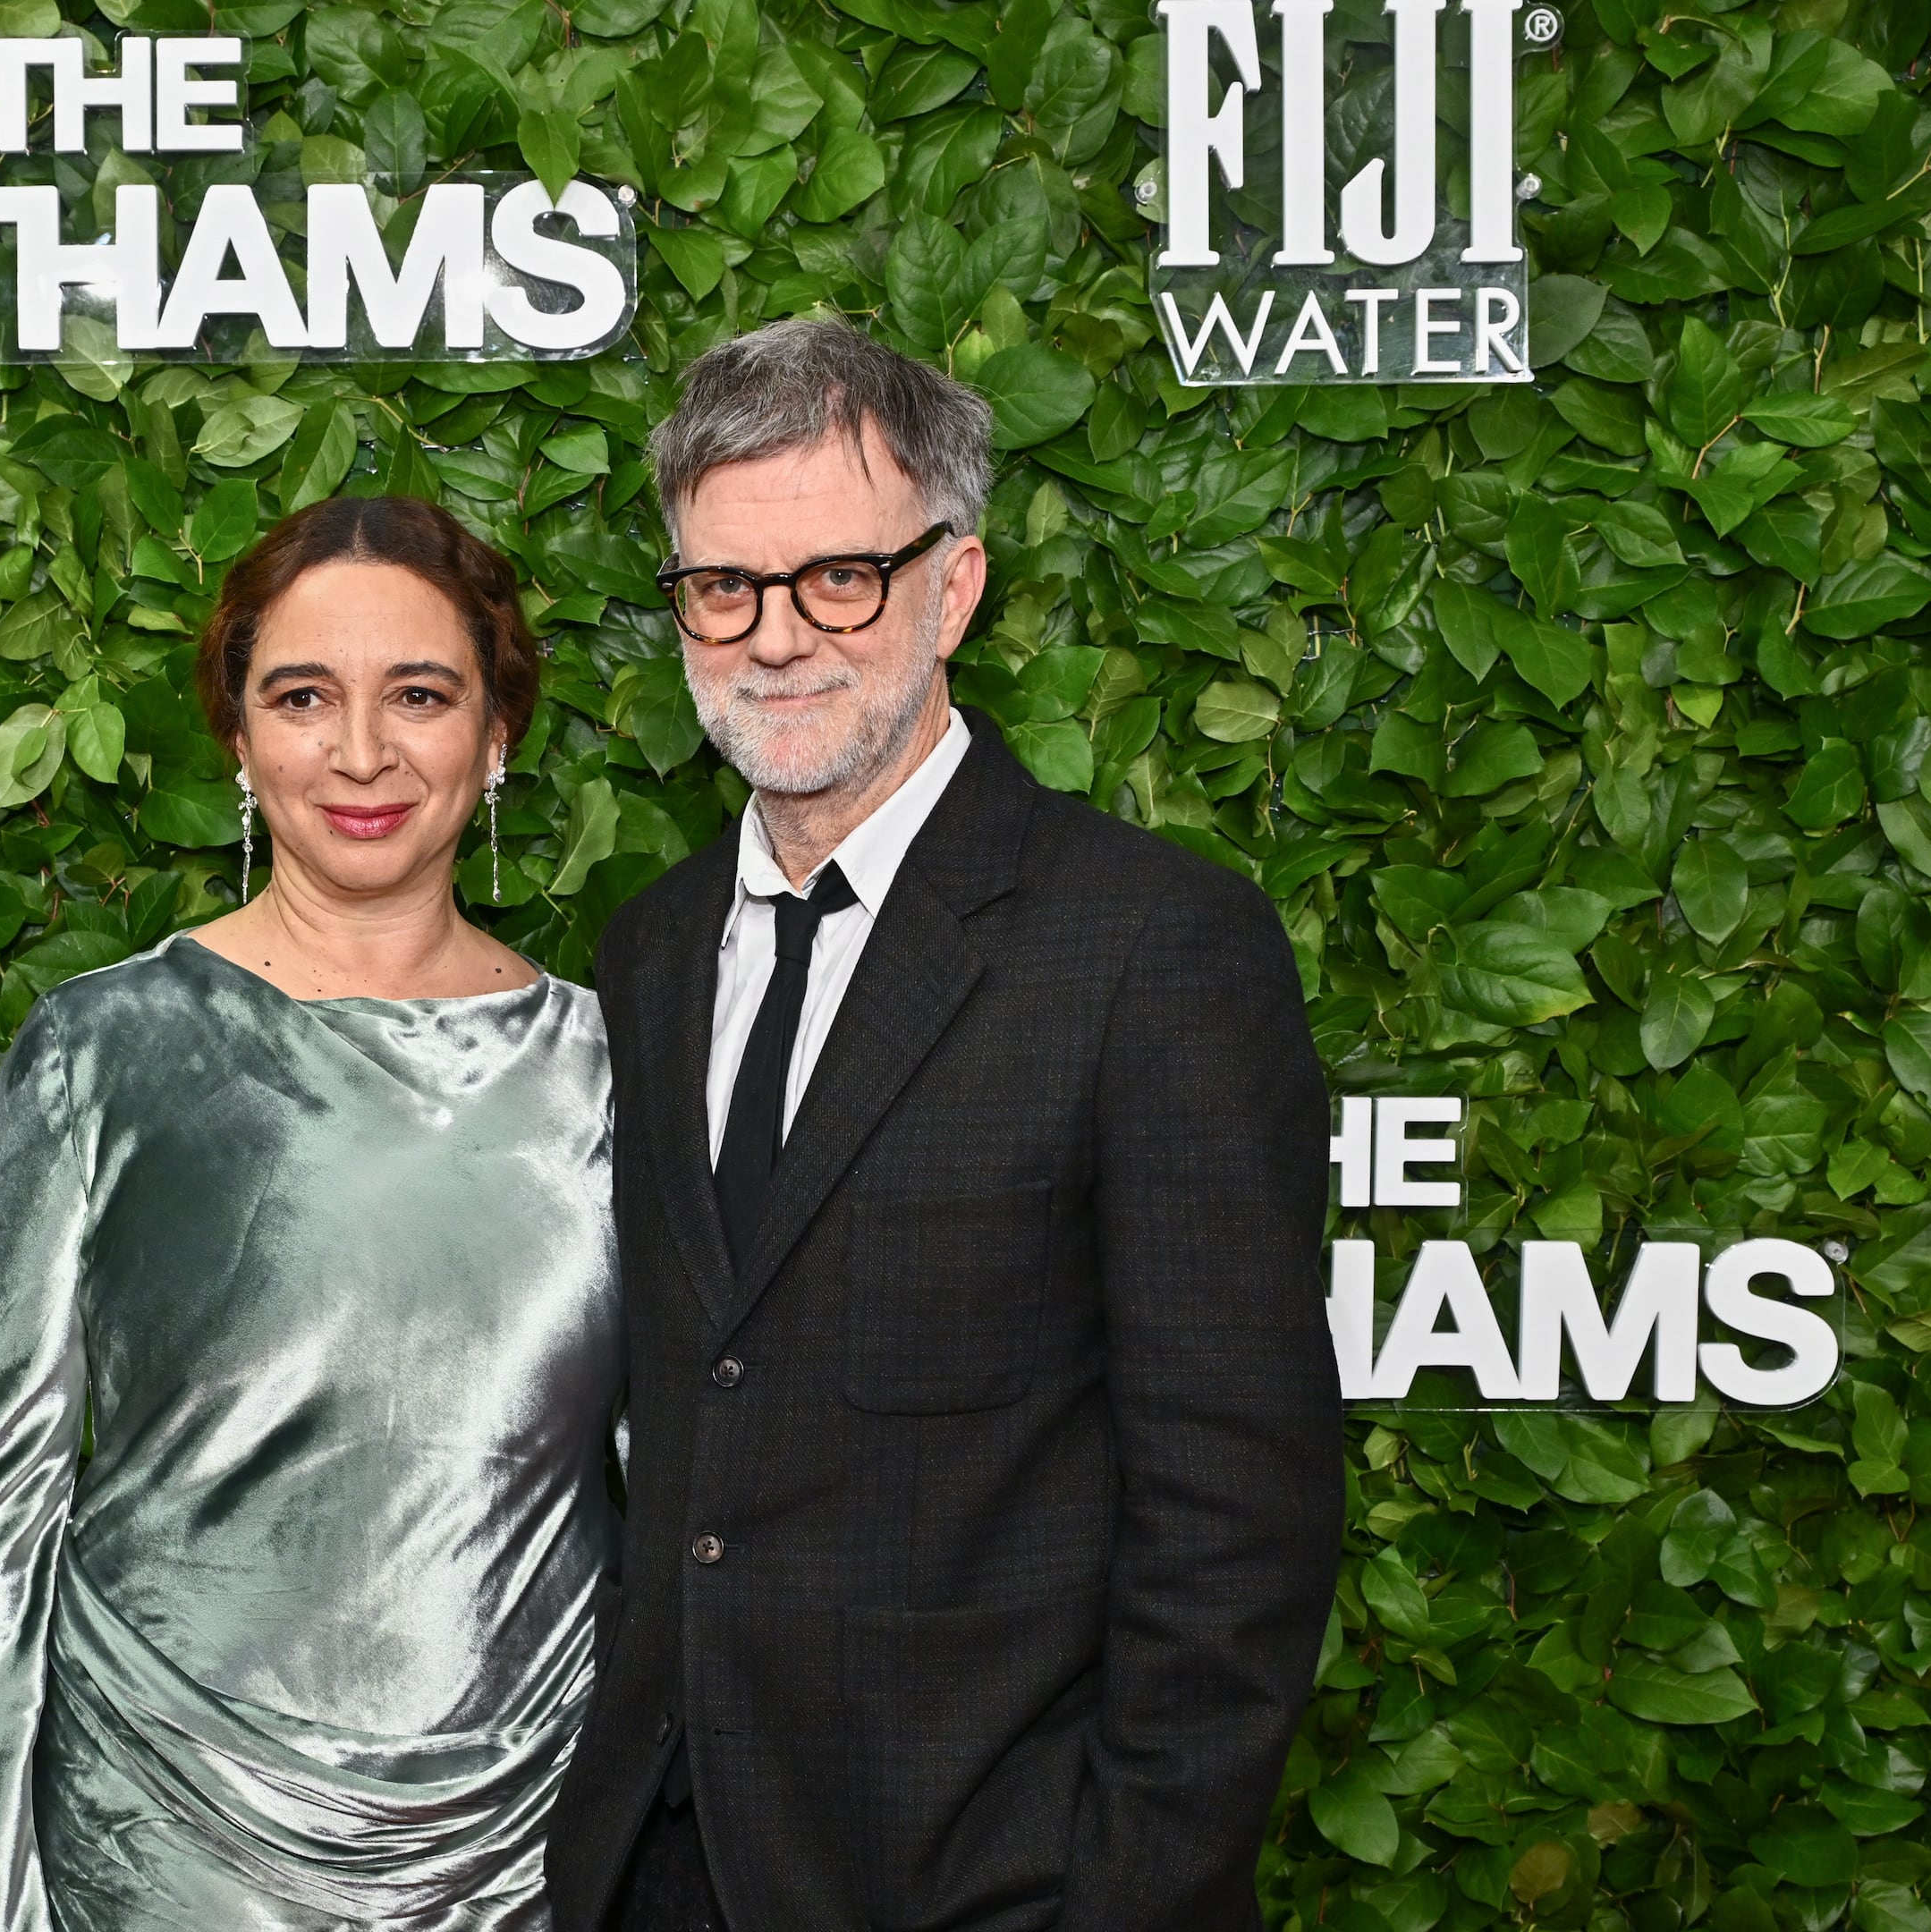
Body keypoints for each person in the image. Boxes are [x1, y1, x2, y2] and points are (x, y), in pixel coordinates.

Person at [544, 317, 1343, 1931]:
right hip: (654, 1876)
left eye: (840, 576)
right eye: (723, 586)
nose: (776, 637)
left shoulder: (1152, 947)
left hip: (990, 1884)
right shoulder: (646, 949)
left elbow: (1238, 1524)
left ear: (956, 586)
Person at [0, 496, 620, 1931]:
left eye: (419, 695)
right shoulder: (101, 1051)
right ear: (237, 738)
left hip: (533, 1861)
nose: (360, 753)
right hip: (162, 1849)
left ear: (497, 737)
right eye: (304, 697)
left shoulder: (619, 1072)